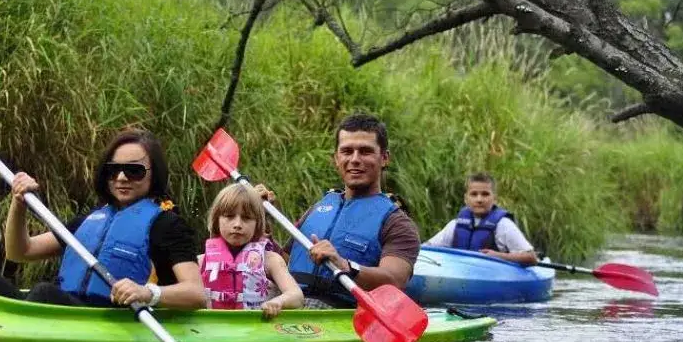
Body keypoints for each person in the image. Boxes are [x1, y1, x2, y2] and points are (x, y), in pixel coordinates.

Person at [0, 128, 206, 309]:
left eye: (134, 171)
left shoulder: (167, 225)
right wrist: (18, 203)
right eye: (113, 170)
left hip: (109, 319)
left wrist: (147, 293)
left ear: (154, 174)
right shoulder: (89, 221)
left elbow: (196, 294)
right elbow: (20, 251)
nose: (121, 178)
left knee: (44, 292)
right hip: (64, 310)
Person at [256, 113, 421, 309]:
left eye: (365, 151)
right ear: (336, 158)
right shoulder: (319, 208)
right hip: (289, 304)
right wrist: (262, 227)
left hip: (341, 313)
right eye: (347, 151)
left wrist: (344, 265)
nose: (355, 159)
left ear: (384, 158)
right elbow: (285, 263)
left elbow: (394, 280)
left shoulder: (397, 223)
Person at [198, 184, 303, 318]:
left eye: (246, 218)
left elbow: (297, 296)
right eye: (229, 216)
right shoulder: (200, 262)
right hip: (213, 329)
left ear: (258, 224)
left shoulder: (271, 260)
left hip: (257, 328)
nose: (237, 224)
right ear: (216, 221)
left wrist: (278, 302)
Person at [424, 172, 538, 266]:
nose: (479, 199)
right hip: (460, 273)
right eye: (474, 194)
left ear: (494, 198)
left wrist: (499, 256)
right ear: (466, 199)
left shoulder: (504, 225)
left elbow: (531, 257)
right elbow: (425, 249)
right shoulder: (455, 225)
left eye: (485, 194)